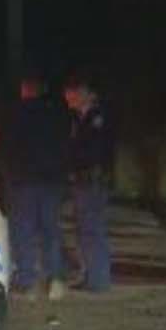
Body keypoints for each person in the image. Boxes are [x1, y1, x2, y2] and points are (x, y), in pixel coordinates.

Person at [0, 75, 71, 297]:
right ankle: (55, 278)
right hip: (52, 181)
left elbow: (2, 145)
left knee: (23, 231)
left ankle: (27, 280)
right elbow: (68, 144)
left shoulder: (15, 114)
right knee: (50, 229)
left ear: (25, 89)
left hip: (23, 180)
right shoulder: (59, 114)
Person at [64, 76, 115, 291]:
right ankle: (92, 275)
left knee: (92, 229)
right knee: (86, 229)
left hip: (91, 179)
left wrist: (74, 162)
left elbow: (94, 150)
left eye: (70, 97)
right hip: (85, 178)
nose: (68, 101)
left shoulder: (97, 117)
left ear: (82, 94)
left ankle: (98, 279)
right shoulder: (80, 118)